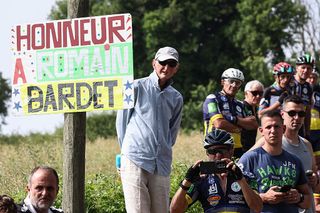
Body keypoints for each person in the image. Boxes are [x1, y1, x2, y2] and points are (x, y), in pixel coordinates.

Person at [116, 46, 183, 213]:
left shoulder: (176, 97)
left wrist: (164, 148)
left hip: (161, 163)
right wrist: (125, 153)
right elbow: (121, 123)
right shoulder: (134, 87)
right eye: (163, 62)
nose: (166, 67)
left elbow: (172, 133)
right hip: (134, 158)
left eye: (171, 64)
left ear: (176, 68)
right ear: (154, 63)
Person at [170, 129, 262, 213]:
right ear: (207, 153)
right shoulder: (201, 180)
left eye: (222, 150)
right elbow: (175, 210)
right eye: (212, 151)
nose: (218, 155)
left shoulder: (245, 176)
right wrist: (187, 181)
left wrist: (241, 180)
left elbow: (257, 207)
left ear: (231, 151)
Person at [238, 110, 312, 212]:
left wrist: (299, 197)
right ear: (261, 131)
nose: (273, 131)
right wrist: (263, 197)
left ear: (283, 128)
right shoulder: (249, 159)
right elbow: (235, 198)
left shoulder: (295, 161)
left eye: (277, 126)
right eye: (268, 127)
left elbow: (308, 201)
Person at [203, 68, 258, 158]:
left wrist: (233, 119)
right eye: (231, 81)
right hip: (216, 145)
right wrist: (239, 129)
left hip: (237, 147)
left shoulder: (241, 104)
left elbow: (253, 124)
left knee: (236, 172)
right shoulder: (212, 99)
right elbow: (219, 123)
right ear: (222, 82)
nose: (234, 85)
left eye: (238, 83)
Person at [289, 53, 314, 138]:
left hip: (299, 128)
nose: (306, 70)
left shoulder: (309, 87)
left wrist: (307, 133)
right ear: (297, 68)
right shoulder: (287, 81)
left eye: (309, 68)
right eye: (303, 67)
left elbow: (307, 111)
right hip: (284, 127)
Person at [241, 80, 264, 152]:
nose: (258, 96)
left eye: (261, 93)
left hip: (251, 148)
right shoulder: (241, 107)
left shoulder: (256, 108)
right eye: (254, 93)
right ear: (246, 93)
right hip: (240, 148)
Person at [306, 67, 320, 169]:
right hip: (307, 129)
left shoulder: (318, 92)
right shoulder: (302, 90)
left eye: (314, 77)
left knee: (318, 159)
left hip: (318, 130)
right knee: (308, 159)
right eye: (310, 77)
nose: (312, 80)